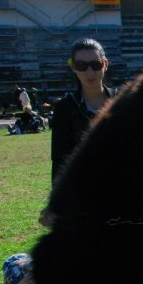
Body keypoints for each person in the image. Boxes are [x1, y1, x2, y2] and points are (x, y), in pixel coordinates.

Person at [50, 38, 117, 185]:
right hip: (82, 190)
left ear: (105, 64)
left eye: (95, 64)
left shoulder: (122, 101)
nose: (90, 71)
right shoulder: (64, 108)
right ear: (73, 67)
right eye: (82, 66)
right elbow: (59, 160)